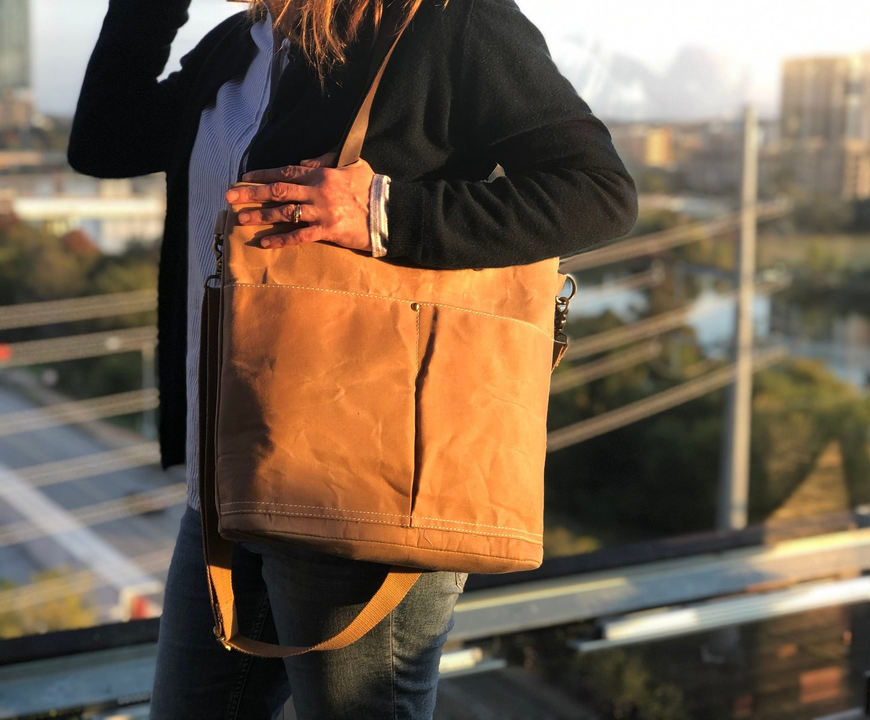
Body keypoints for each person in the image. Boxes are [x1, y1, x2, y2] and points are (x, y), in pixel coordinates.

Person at [68, 0, 638, 717]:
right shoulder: (240, 46)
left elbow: (599, 191)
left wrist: (383, 212)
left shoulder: (449, 22)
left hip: (362, 479)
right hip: (229, 475)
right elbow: (104, 141)